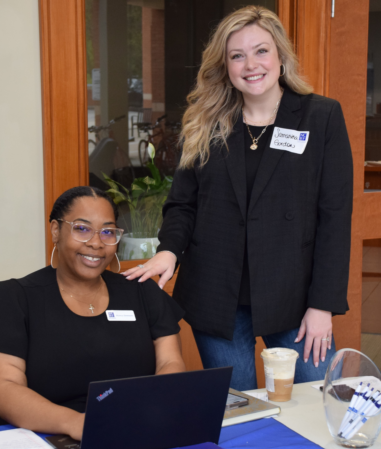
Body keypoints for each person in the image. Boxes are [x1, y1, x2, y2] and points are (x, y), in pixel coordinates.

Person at [124, 6, 352, 391]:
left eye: (261, 51)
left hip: (295, 297)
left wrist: (322, 305)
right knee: (239, 412)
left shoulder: (321, 117)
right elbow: (183, 204)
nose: (251, 64)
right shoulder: (205, 121)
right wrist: (169, 251)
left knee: (316, 404)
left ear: (281, 56)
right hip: (217, 294)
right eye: (237, 55)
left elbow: (335, 217)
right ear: (225, 65)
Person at [0, 186, 185, 440]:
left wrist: (149, 411)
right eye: (82, 228)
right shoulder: (11, 299)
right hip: (33, 436)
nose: (95, 243)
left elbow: (171, 363)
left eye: (107, 232)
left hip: (128, 431)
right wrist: (79, 424)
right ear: (56, 231)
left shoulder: (143, 292)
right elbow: (3, 390)